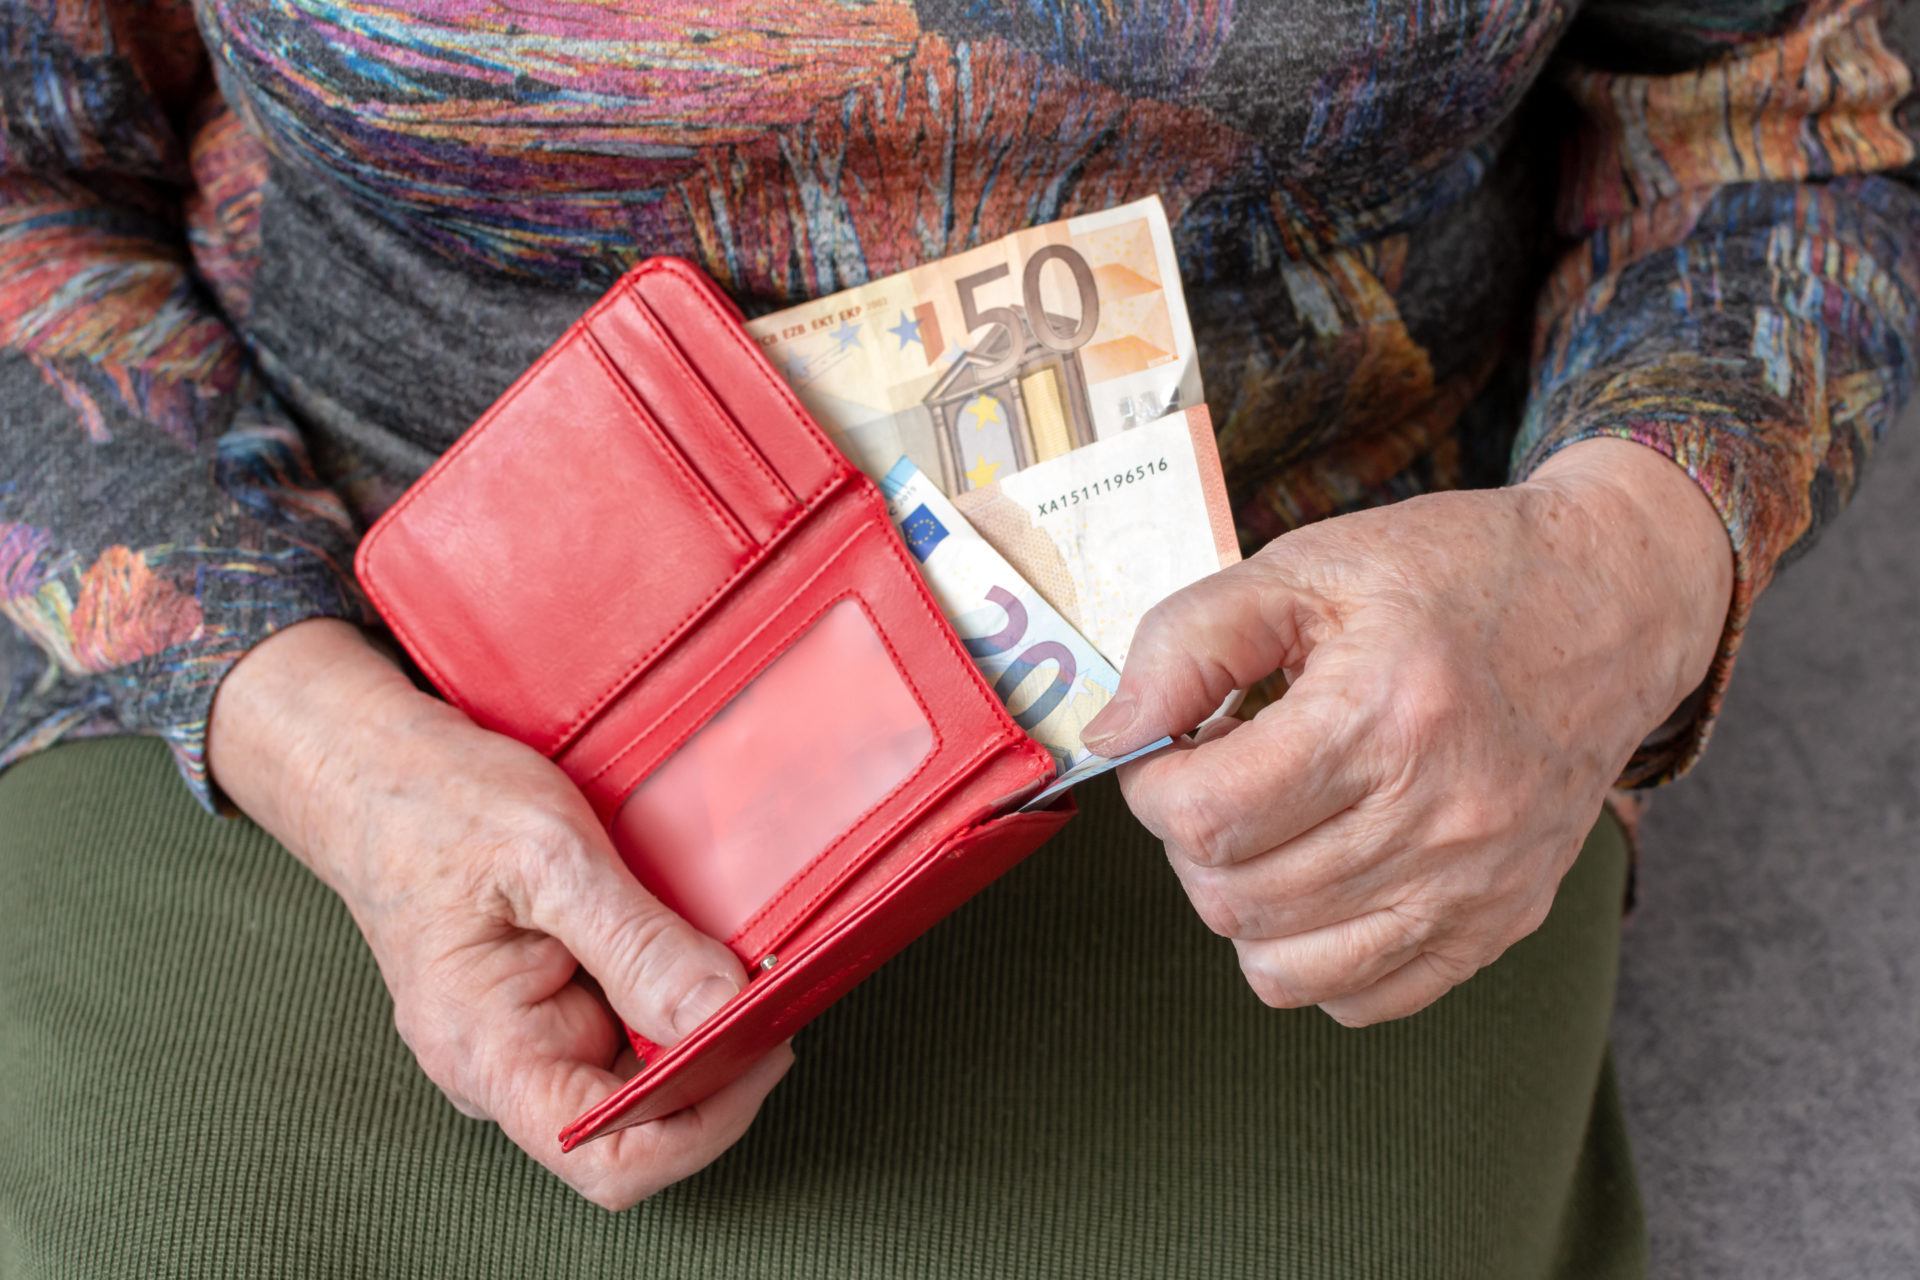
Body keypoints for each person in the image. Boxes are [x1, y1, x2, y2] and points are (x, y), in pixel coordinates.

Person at [2, 1, 1915, 1274]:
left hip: (1313, 656)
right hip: (339, 618)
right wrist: (327, 750)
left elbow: (1773, 117)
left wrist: (1601, 589)